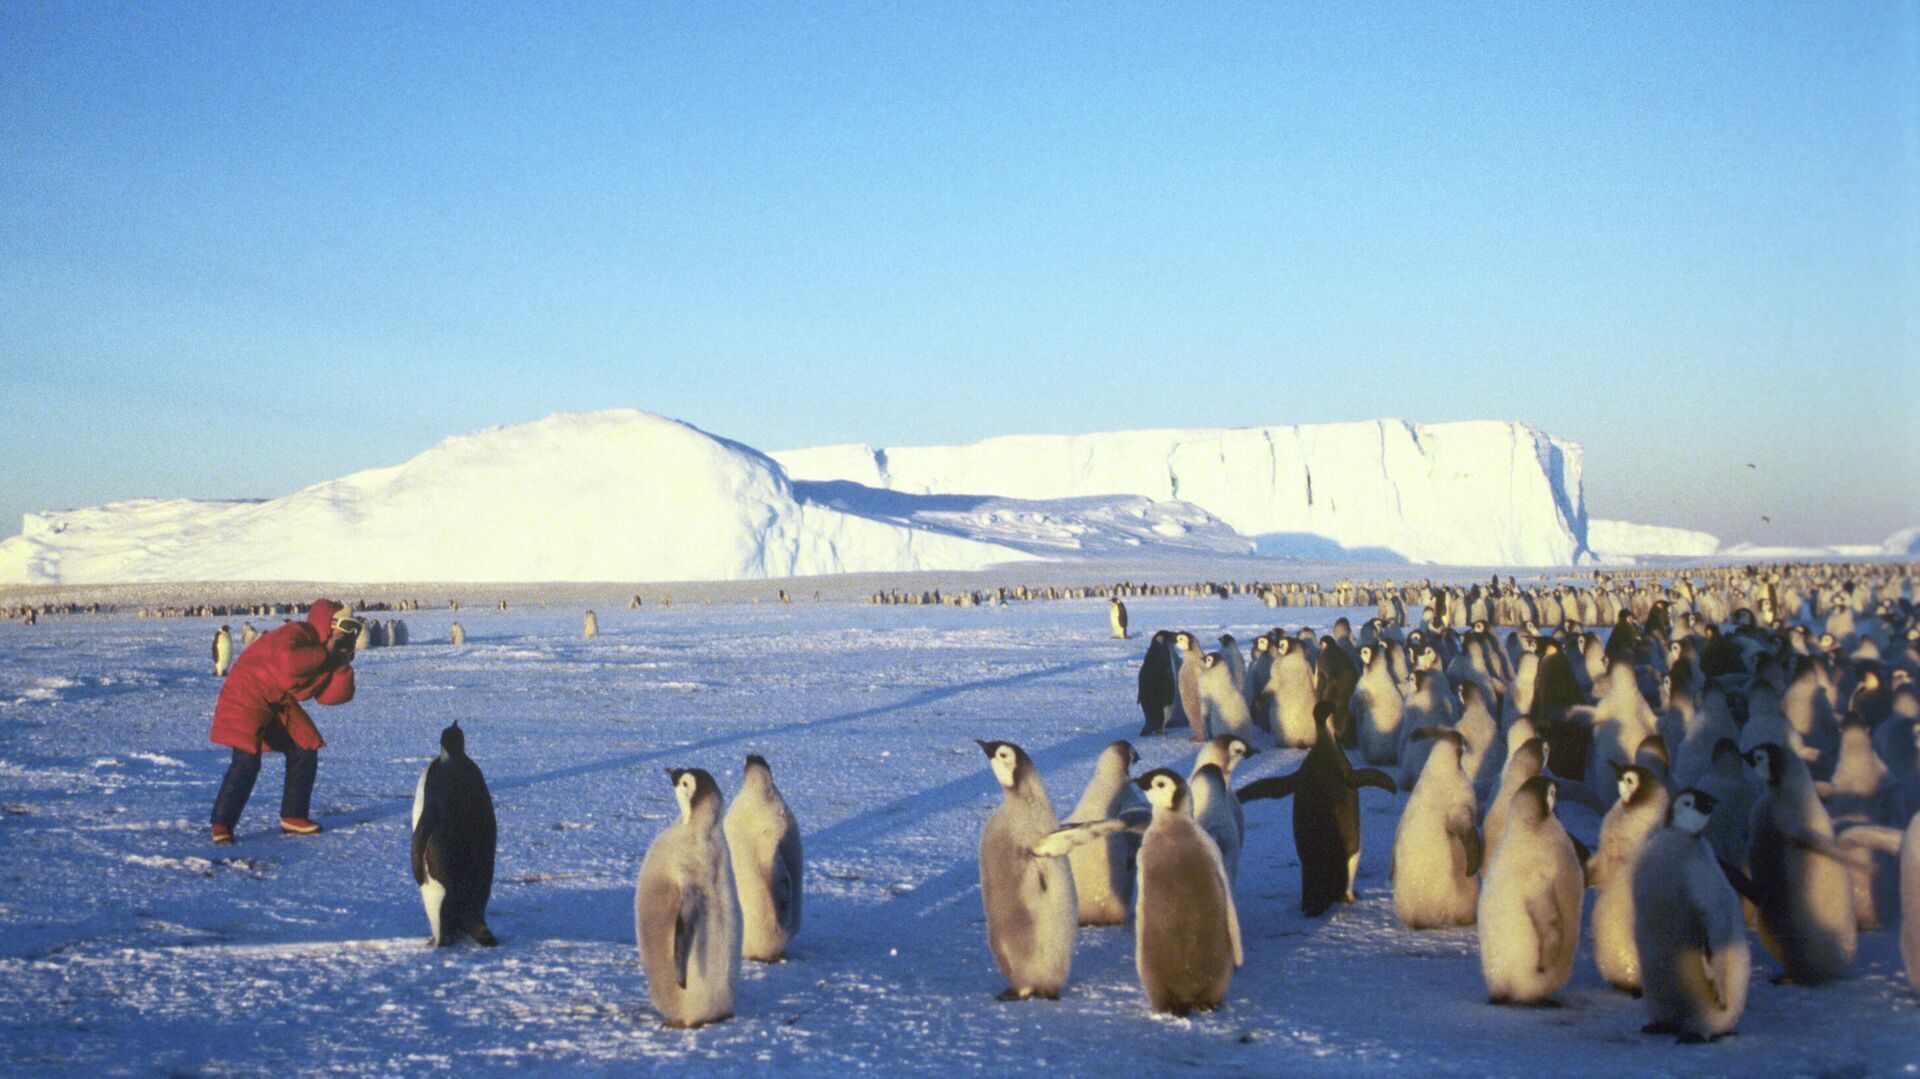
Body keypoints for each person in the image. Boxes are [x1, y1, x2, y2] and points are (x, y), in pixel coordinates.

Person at [208, 598, 359, 843]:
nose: (350, 631)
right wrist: (325, 652)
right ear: (329, 623)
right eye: (346, 624)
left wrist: (340, 663)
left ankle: (293, 816)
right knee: (246, 761)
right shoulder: (296, 632)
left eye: (355, 627)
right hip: (246, 694)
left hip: (276, 703)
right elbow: (287, 667)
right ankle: (222, 823)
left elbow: (329, 697)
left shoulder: (324, 649)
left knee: (304, 747)